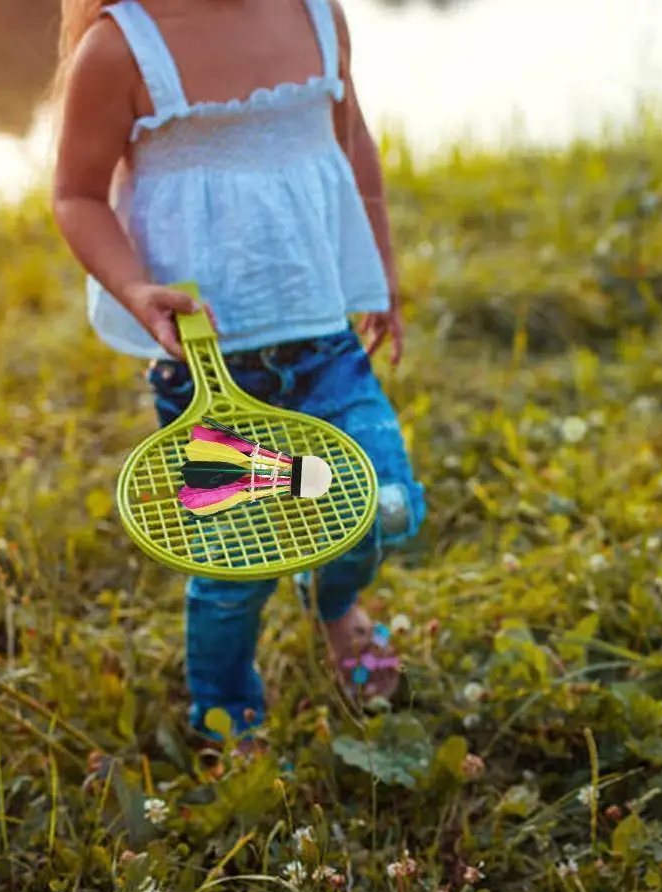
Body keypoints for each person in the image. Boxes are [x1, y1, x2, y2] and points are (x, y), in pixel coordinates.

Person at [50, 0, 426, 742]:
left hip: (325, 348)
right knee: (233, 569)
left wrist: (378, 269)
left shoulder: (315, 14)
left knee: (382, 507)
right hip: (207, 371)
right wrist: (135, 289)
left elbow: (351, 145)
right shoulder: (121, 48)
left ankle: (334, 602)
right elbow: (76, 195)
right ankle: (227, 713)